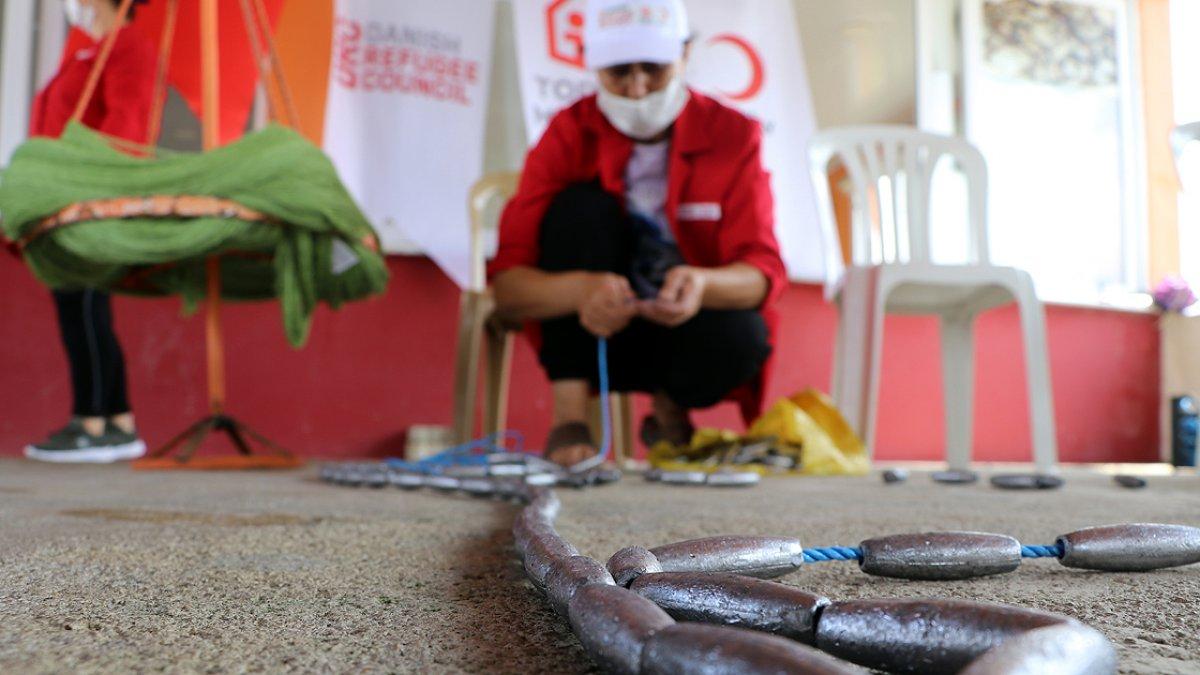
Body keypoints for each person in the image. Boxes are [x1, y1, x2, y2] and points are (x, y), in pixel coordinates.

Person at [490, 0, 787, 467]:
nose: (637, 87)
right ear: (591, 64)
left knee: (745, 331)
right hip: (593, 335)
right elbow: (508, 288)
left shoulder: (733, 135)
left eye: (655, 69)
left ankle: (671, 410)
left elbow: (762, 273)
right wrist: (582, 290)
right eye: (618, 72)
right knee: (579, 209)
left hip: (681, 336)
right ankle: (568, 417)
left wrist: (703, 285)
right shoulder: (569, 131)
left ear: (686, 55)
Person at [22, 0, 155, 463]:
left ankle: (91, 420)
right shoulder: (88, 48)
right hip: (66, 199)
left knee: (82, 304)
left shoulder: (127, 46)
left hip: (90, 199)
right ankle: (118, 420)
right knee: (85, 305)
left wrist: (94, 188)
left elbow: (126, 125)